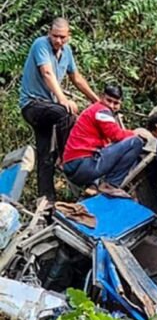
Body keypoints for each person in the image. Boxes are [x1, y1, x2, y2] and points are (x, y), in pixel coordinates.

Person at [19, 17, 100, 201]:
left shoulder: (67, 51)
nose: (58, 40)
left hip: (48, 108)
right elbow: (47, 72)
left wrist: (97, 101)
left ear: (68, 36)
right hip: (33, 105)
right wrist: (63, 99)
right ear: (49, 33)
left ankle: (47, 202)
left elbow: (76, 78)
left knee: (45, 155)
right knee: (66, 113)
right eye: (55, 36)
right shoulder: (41, 44)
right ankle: (68, 158)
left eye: (62, 37)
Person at [61, 85, 149, 198]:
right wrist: (135, 134)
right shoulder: (101, 111)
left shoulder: (94, 110)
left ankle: (94, 185)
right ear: (101, 97)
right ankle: (111, 184)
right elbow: (116, 135)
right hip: (81, 164)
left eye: (116, 103)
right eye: (109, 100)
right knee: (136, 142)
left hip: (74, 165)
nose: (111, 106)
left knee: (105, 148)